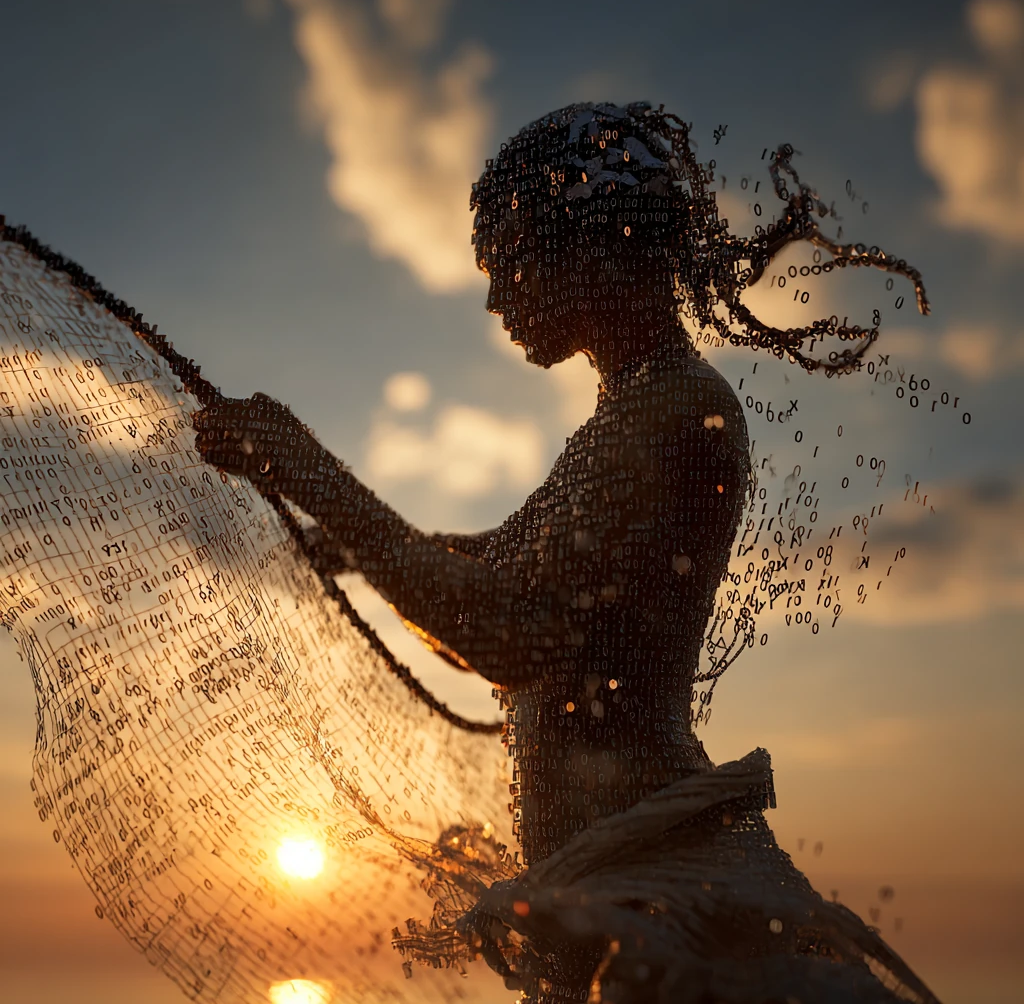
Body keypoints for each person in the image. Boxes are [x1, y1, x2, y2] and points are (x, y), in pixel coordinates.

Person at [194, 103, 938, 1004]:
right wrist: (343, 541)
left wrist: (314, 472)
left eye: (508, 261)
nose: (495, 295)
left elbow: (512, 633)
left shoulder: (676, 414)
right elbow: (500, 569)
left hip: (664, 899)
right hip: (615, 874)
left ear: (593, 249)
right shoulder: (630, 413)